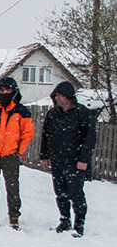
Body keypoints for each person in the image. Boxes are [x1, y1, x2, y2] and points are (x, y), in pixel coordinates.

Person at [41, 81, 97, 238]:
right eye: (55, 96)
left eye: (59, 95)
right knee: (60, 193)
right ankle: (65, 219)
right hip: (57, 160)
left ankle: (79, 223)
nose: (57, 98)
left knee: (76, 193)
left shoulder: (82, 113)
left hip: (75, 161)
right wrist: (44, 156)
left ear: (68, 96)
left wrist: (84, 158)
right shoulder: (52, 114)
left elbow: (90, 138)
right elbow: (46, 136)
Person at [0, 77, 34, 229]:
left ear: (14, 91)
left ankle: (14, 218)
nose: (4, 93)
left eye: (7, 90)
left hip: (10, 155)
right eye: (1, 90)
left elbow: (27, 133)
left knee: (13, 187)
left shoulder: (21, 111)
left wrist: (19, 151)